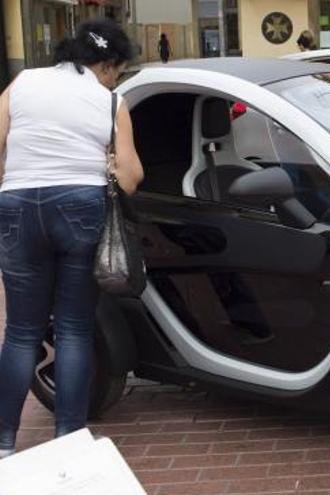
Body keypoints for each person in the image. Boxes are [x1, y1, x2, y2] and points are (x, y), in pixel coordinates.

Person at [0, 19, 144, 458]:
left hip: (17, 204)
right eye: (116, 69)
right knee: (74, 328)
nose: (114, 78)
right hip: (80, 206)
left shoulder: (22, 82)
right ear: (107, 64)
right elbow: (132, 177)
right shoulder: (110, 99)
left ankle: (4, 443)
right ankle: (68, 440)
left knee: (21, 332)